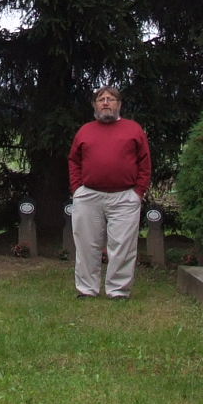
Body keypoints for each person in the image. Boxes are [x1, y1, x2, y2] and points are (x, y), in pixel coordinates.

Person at [67, 85, 152, 299]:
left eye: (111, 99)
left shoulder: (133, 129)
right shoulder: (85, 131)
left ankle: (118, 290)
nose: (106, 102)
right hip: (89, 196)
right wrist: (77, 189)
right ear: (95, 105)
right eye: (101, 99)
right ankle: (87, 289)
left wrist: (138, 192)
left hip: (125, 196)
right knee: (86, 245)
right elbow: (74, 160)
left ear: (119, 104)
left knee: (123, 246)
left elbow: (144, 162)